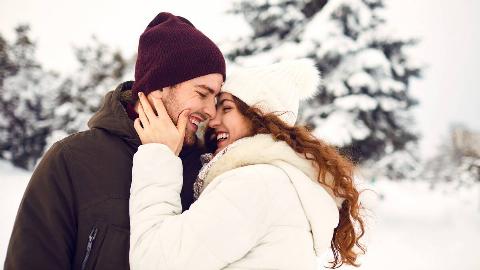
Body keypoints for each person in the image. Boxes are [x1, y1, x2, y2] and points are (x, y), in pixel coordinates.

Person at [4, 12, 225, 270]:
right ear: (160, 86)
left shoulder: (208, 169)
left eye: (217, 98)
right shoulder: (72, 160)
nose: (211, 110)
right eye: (202, 93)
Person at [129, 59, 366, 270]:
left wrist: (158, 154)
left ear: (260, 116)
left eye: (227, 108)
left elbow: (155, 261)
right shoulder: (281, 181)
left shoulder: (255, 184)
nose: (212, 120)